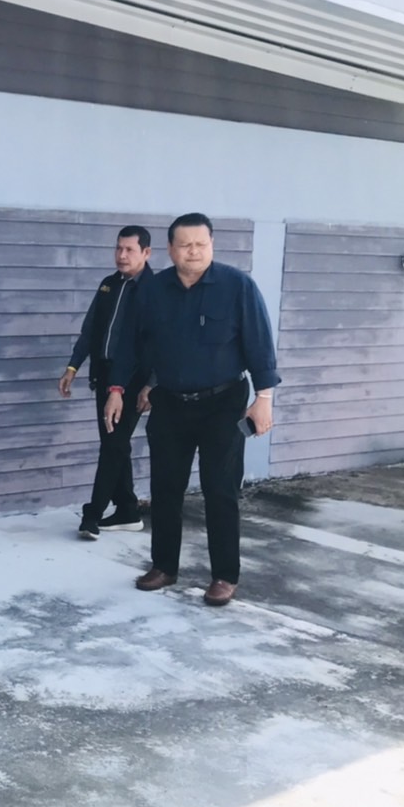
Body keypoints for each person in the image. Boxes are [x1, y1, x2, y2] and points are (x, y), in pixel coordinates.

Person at [105, 212, 279, 607]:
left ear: (211, 245)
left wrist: (264, 400)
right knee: (166, 488)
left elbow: (259, 344)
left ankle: (224, 576)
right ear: (170, 249)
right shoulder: (152, 291)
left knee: (221, 490)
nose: (194, 251)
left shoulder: (237, 286)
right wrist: (116, 389)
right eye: (185, 245)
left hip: (224, 404)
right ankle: (164, 566)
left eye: (201, 244)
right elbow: (129, 345)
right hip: (169, 403)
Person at [59, 225, 154, 541]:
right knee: (115, 444)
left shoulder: (155, 291)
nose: (121, 255)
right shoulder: (108, 285)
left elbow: (162, 343)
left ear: (146, 253)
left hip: (134, 380)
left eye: (129, 250)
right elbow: (90, 330)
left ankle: (92, 515)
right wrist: (73, 367)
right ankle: (127, 509)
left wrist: (151, 385)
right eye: (118, 248)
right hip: (104, 375)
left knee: (113, 444)